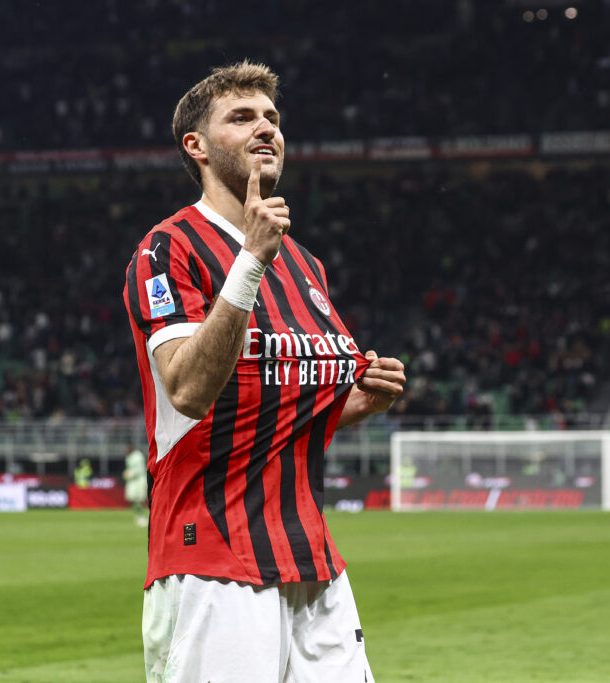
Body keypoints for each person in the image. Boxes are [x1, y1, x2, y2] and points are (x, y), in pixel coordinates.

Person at [123, 61, 405, 682]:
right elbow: (188, 390)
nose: (266, 128)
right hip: (211, 557)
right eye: (242, 117)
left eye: (272, 117)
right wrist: (249, 259)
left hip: (311, 556)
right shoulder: (168, 248)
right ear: (196, 146)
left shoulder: (305, 264)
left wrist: (356, 401)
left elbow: (280, 406)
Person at [122, 445, 149, 526]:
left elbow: (140, 469)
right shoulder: (129, 457)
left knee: (140, 499)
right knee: (131, 498)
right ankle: (139, 514)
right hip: (132, 482)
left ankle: (143, 516)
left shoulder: (138, 456)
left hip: (139, 481)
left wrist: (130, 474)